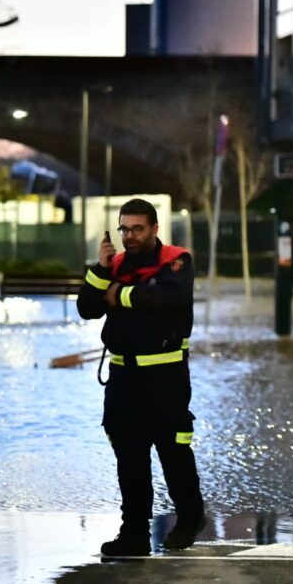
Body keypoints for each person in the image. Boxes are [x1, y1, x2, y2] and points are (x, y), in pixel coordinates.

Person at [76, 198, 205, 556]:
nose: (129, 236)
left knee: (173, 451)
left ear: (154, 229)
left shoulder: (177, 261)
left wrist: (121, 294)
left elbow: (169, 297)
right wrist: (101, 271)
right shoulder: (113, 265)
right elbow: (87, 307)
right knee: (129, 458)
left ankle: (191, 518)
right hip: (123, 377)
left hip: (165, 376)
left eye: (137, 228)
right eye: (124, 229)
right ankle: (133, 533)